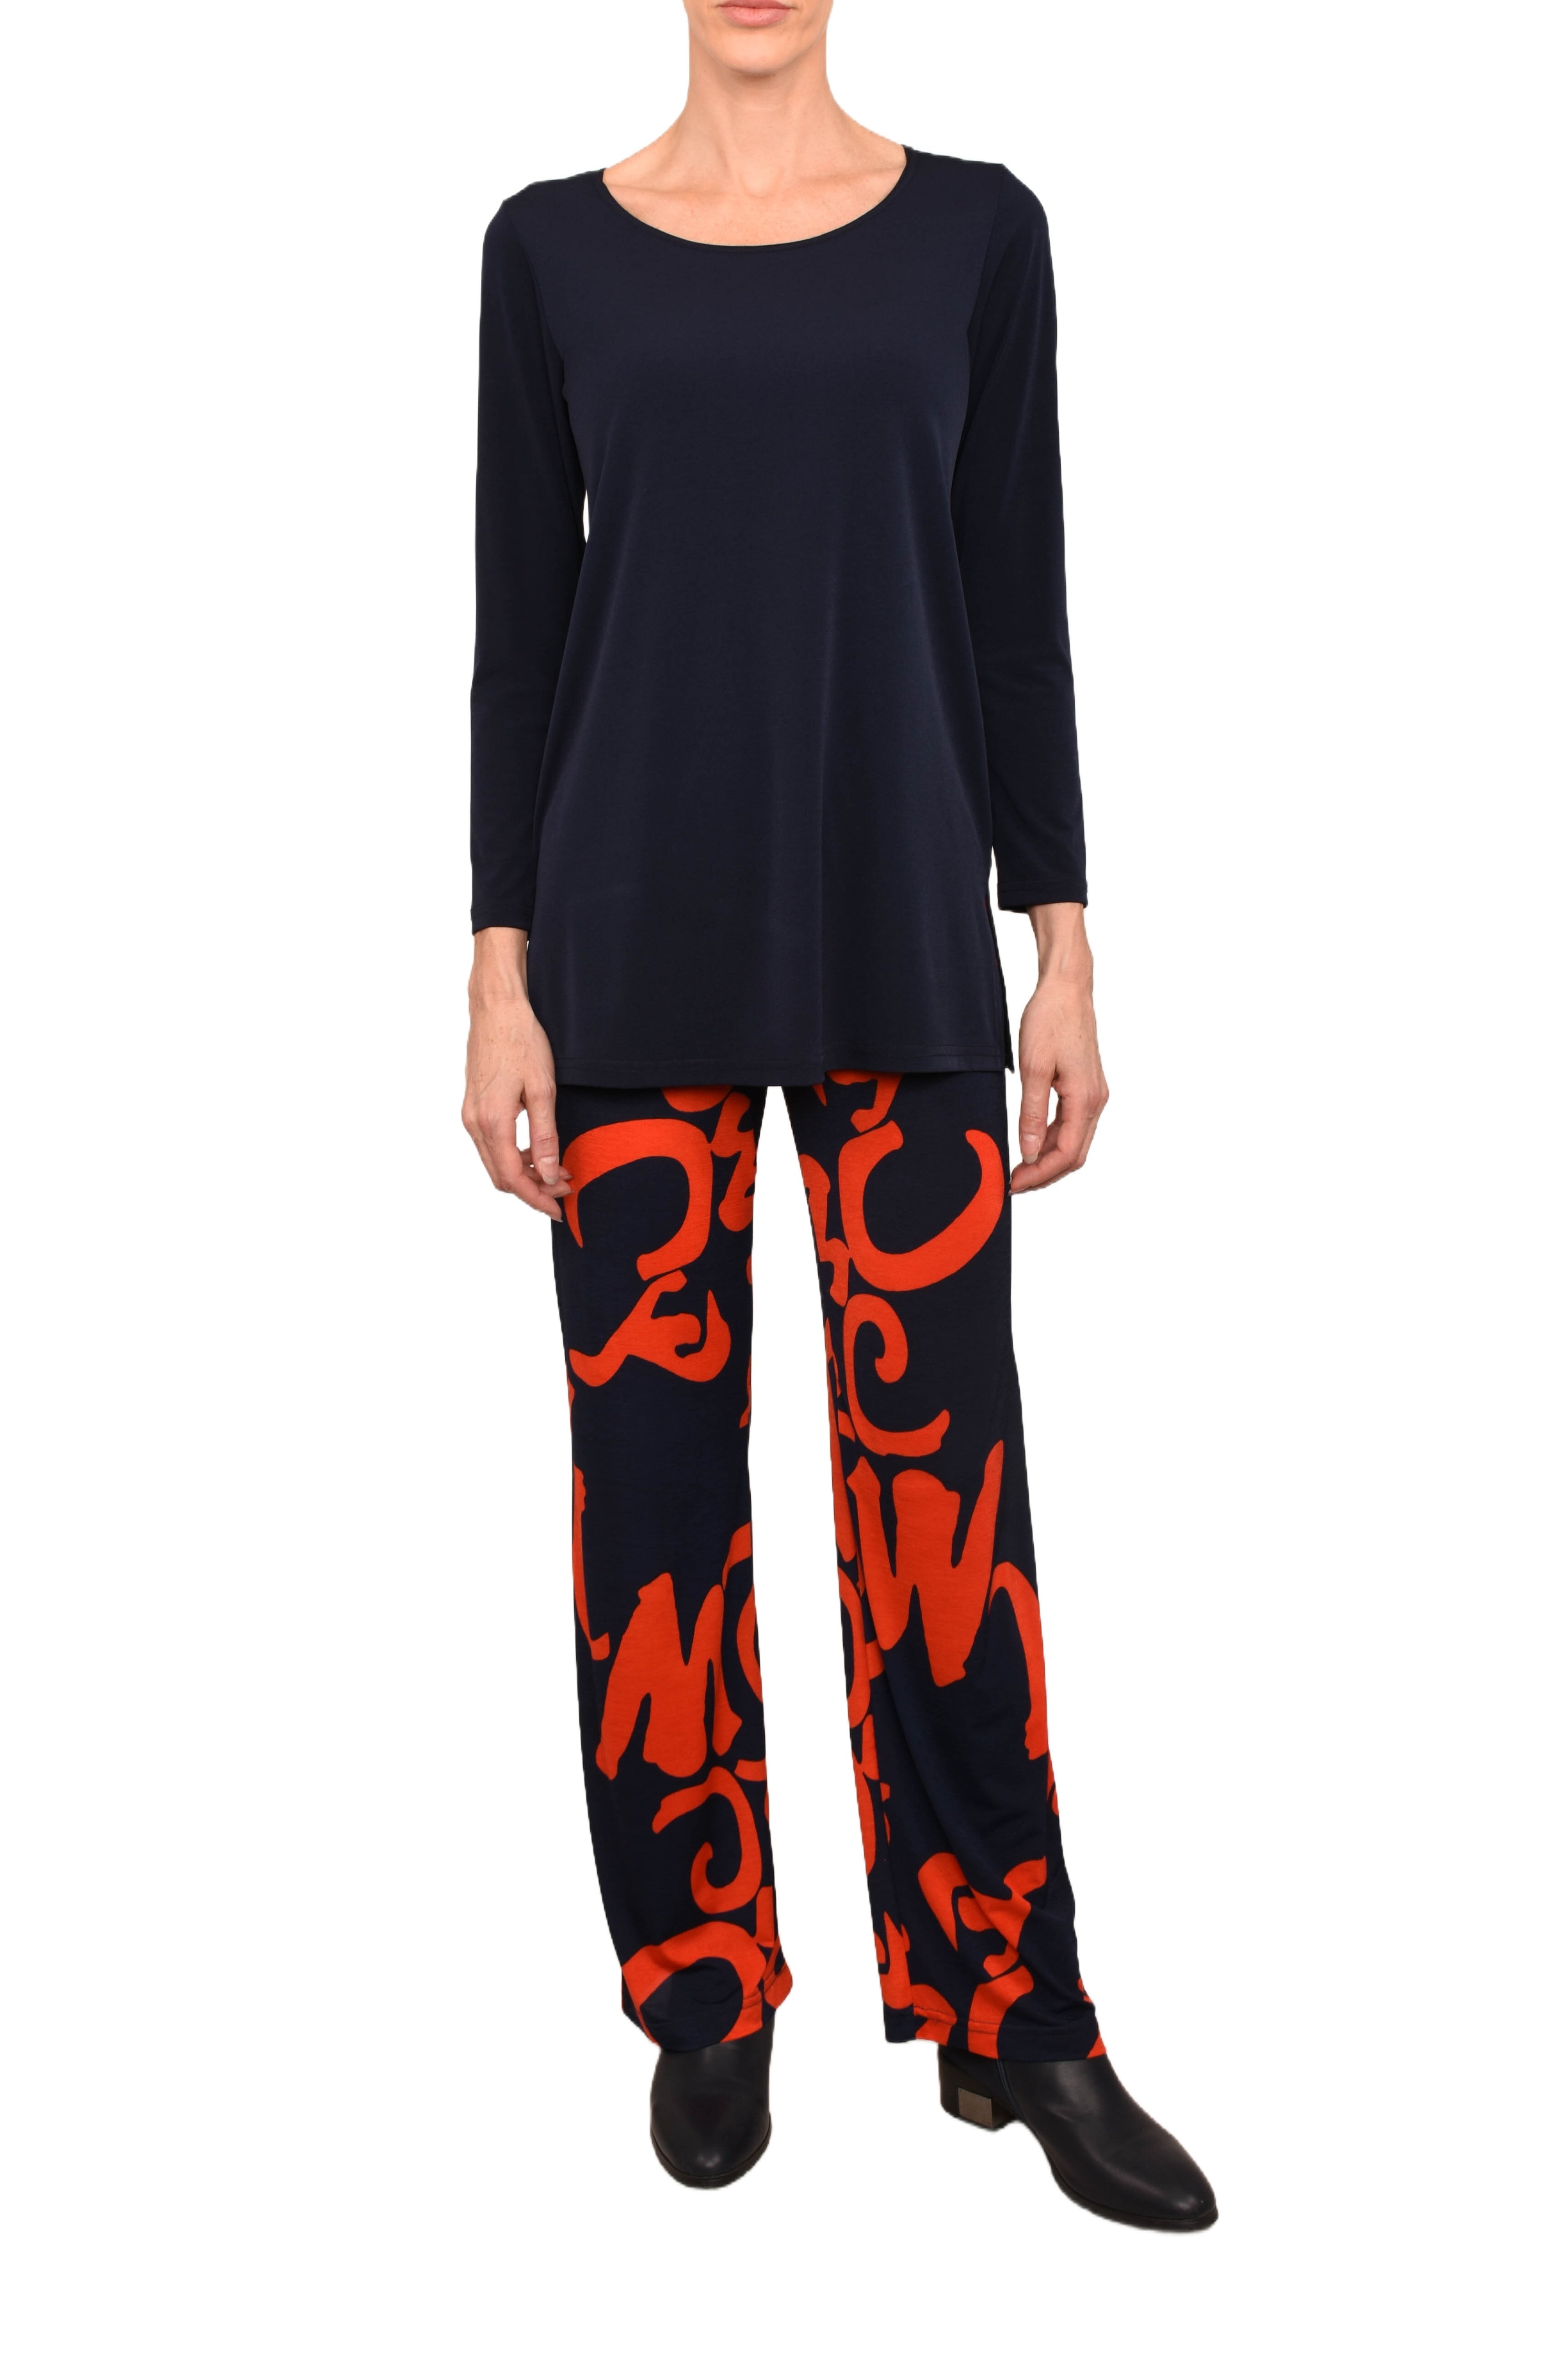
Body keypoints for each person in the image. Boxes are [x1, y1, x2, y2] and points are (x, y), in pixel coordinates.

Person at [462, 0, 1214, 2229]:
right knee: (652, 1499)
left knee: (943, 1499)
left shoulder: (975, 236)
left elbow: (1013, 594)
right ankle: (704, 1982)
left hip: (899, 929)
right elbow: (520, 630)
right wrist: (495, 973)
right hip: (624, 949)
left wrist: (1059, 937)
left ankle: (1013, 2003)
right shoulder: (546, 251)